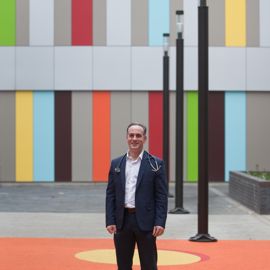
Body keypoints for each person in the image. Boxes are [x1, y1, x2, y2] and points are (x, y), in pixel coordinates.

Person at [106, 122, 168, 270]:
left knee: (149, 265)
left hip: (146, 223)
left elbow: (161, 196)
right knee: (123, 265)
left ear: (144, 138)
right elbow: (111, 194)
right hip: (122, 222)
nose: (135, 139)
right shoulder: (117, 163)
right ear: (127, 138)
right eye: (131, 135)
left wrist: (160, 222)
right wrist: (110, 219)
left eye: (138, 136)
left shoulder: (156, 164)